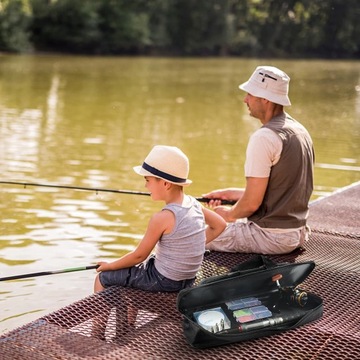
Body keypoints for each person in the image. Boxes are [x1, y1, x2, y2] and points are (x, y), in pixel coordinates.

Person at [203, 66, 314, 255]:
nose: (245, 99)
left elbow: (252, 204)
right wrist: (229, 193)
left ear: (265, 98)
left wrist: (228, 215)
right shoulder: (299, 130)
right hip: (298, 233)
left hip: (270, 237)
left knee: (188, 236)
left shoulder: (264, 137)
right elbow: (284, 190)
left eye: (250, 94)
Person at [94, 145, 226, 293]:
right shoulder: (193, 204)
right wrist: (189, 247)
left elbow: (139, 255)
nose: (145, 185)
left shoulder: (163, 217)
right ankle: (128, 317)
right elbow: (220, 225)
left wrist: (109, 265)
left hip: (164, 281)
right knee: (136, 269)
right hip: (188, 279)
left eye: (148, 180)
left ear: (165, 183)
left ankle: (99, 317)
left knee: (103, 278)